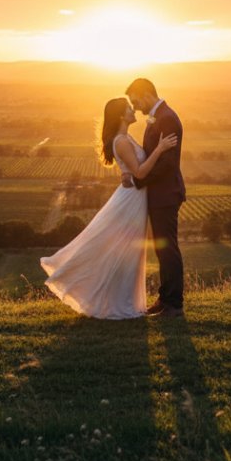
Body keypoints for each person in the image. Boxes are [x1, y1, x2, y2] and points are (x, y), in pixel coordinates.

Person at [41, 97, 178, 319]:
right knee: (122, 250)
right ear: (121, 116)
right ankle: (114, 301)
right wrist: (160, 148)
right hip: (131, 200)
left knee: (127, 251)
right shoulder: (121, 141)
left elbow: (131, 169)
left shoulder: (124, 138)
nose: (133, 110)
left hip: (134, 197)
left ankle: (122, 300)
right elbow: (141, 173)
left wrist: (127, 172)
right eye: (128, 108)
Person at [123, 78, 186, 317]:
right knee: (163, 249)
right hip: (159, 194)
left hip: (166, 194)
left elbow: (167, 164)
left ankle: (174, 304)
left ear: (146, 94)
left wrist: (139, 180)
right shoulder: (158, 116)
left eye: (135, 100)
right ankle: (165, 298)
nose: (135, 106)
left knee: (168, 248)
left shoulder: (167, 118)